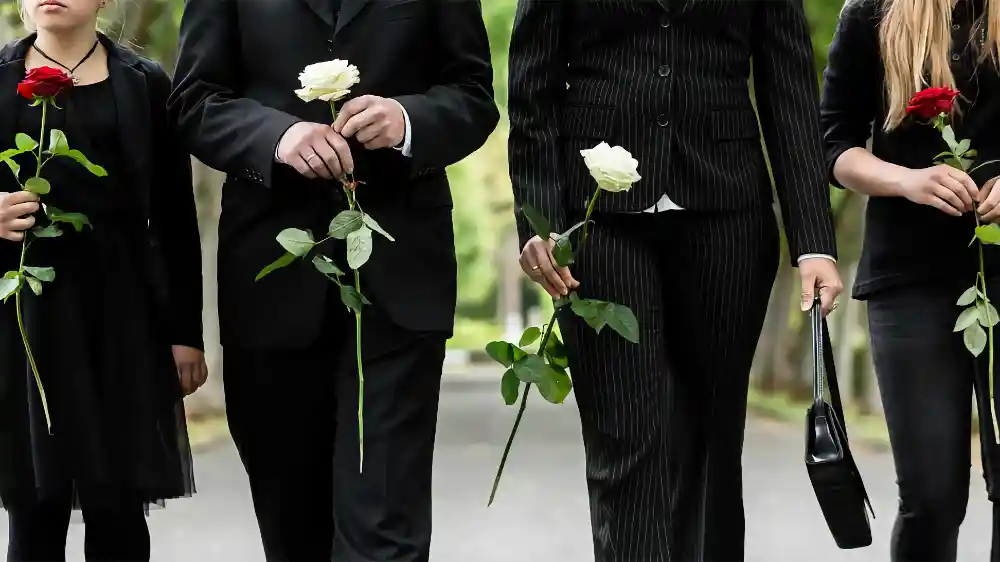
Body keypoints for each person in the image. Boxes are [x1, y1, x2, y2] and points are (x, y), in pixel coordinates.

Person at [508, 0, 843, 560]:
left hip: (727, 210)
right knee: (624, 436)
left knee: (712, 438)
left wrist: (812, 241)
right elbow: (531, 85)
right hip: (596, 220)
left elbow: (788, 85)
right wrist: (540, 221)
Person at [168, 0, 498, 559]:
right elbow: (195, 102)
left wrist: (408, 119)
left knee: (385, 530)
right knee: (293, 527)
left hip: (402, 282)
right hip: (269, 281)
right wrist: (278, 138)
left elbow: (473, 95)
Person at [0, 0, 207, 560]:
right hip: (24, 316)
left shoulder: (143, 83)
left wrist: (184, 332)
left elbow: (173, 215)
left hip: (123, 317)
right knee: (33, 506)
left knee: (117, 506)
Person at [822, 0, 1000, 559]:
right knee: (931, 495)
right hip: (910, 278)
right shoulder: (870, 14)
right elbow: (834, 144)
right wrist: (907, 181)